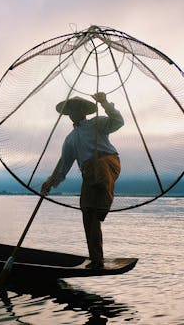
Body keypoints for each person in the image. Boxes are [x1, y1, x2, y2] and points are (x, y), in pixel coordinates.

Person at [41, 92, 124, 269]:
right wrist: (50, 182)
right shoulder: (70, 139)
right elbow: (63, 165)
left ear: (83, 111)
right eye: (71, 109)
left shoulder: (96, 123)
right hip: (90, 174)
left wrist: (104, 102)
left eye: (77, 108)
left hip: (106, 163)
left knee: (96, 193)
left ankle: (101, 206)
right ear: (68, 113)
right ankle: (96, 259)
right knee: (88, 213)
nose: (74, 111)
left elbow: (118, 122)